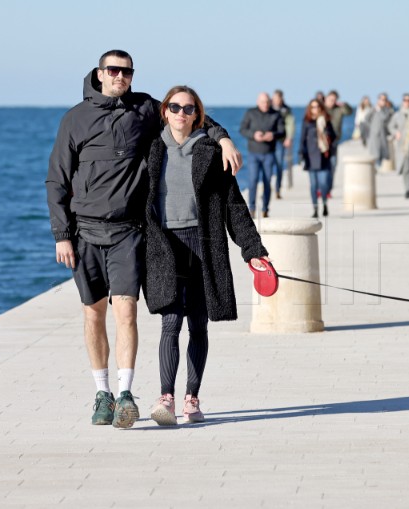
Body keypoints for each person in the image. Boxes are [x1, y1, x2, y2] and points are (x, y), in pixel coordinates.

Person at [45, 50, 241, 429]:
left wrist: (224, 140)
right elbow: (57, 179)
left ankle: (125, 394)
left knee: (127, 311)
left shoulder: (146, 109)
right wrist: (61, 234)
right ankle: (101, 393)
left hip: (127, 232)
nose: (120, 76)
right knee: (93, 313)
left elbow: (192, 115)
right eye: (113, 70)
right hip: (84, 231)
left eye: (126, 71)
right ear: (100, 73)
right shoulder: (75, 118)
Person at [144, 86, 270, 426]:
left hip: (204, 244)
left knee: (198, 324)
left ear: (197, 115)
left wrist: (253, 251)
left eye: (188, 109)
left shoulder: (211, 152)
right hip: (165, 246)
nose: (181, 114)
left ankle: (192, 398)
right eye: (175, 107)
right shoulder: (151, 148)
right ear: (165, 111)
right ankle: (165, 397)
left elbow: (233, 206)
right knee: (170, 322)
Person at [239, 92, 285, 218]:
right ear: (258, 102)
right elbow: (242, 129)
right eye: (263, 102)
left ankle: (265, 208)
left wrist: (273, 135)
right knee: (253, 181)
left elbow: (282, 132)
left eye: (267, 102)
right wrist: (253, 135)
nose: (265, 104)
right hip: (253, 153)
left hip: (269, 154)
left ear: (270, 102)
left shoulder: (276, 114)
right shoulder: (250, 113)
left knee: (267, 181)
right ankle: (252, 208)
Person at [300, 99, 337, 218]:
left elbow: (334, 136)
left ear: (321, 108)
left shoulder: (326, 120)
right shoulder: (307, 121)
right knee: (313, 185)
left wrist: (326, 132)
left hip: (324, 155)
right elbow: (302, 139)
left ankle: (325, 203)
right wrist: (301, 154)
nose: (315, 109)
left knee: (324, 183)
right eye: (313, 107)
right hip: (311, 157)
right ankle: (315, 209)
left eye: (317, 107)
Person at [324, 90, 353, 192]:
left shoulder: (339, 109)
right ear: (326, 98)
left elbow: (349, 112)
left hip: (334, 141)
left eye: (334, 100)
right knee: (322, 165)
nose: (332, 102)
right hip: (322, 141)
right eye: (330, 99)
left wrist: (344, 105)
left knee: (333, 164)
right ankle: (322, 187)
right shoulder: (321, 109)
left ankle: (328, 188)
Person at [271, 89, 295, 200]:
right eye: (275, 98)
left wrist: (289, 137)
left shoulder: (286, 110)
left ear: (282, 98)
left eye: (279, 98)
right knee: (268, 165)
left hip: (280, 141)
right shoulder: (268, 106)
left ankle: (277, 189)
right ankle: (267, 187)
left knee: (279, 165)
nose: (277, 100)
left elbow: (290, 124)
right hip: (268, 142)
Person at [364, 93, 393, 168]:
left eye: (385, 100)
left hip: (383, 135)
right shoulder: (373, 109)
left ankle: (379, 168)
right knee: (375, 154)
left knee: (383, 155)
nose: (384, 101)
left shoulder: (388, 110)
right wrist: (372, 128)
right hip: (374, 136)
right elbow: (366, 119)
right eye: (382, 99)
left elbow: (387, 120)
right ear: (378, 100)